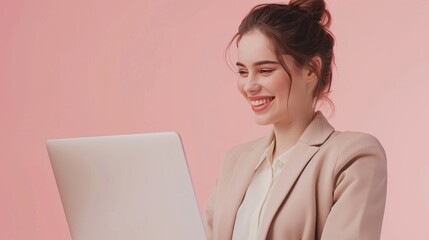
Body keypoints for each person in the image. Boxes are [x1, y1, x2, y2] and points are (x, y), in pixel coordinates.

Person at [204, 0, 387, 239]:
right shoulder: (235, 161)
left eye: (265, 70)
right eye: (242, 71)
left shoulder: (352, 156)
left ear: (311, 69)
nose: (249, 86)